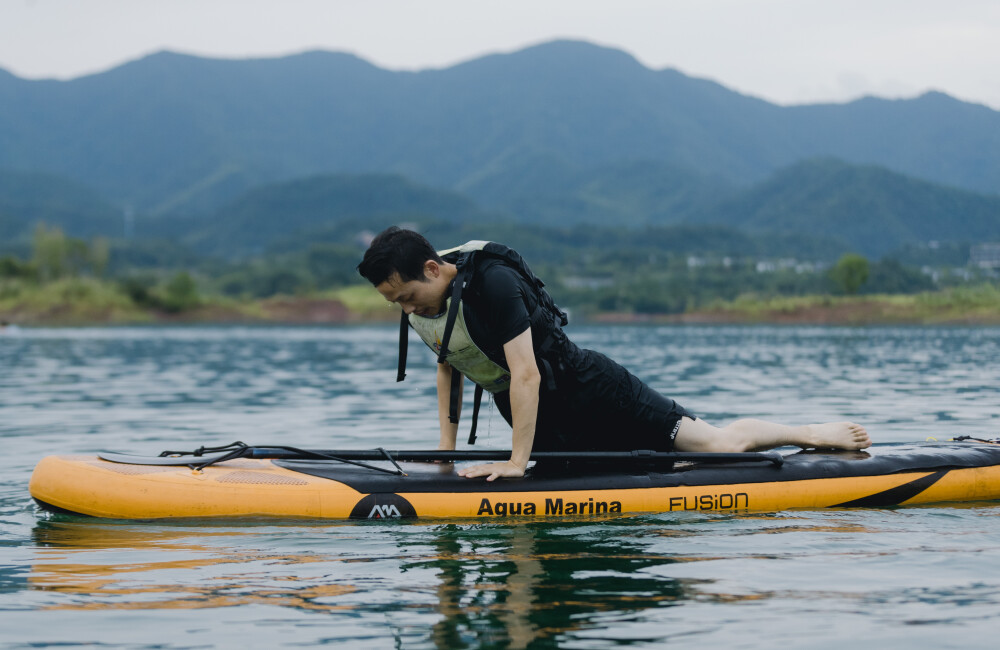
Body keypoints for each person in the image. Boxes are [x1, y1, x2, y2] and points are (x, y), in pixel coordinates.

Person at [357, 227, 870, 481]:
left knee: (714, 448)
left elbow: (526, 375)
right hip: (537, 416)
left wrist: (517, 461)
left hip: (593, 391)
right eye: (393, 302)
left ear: (430, 268)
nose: (404, 308)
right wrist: (447, 455)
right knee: (644, 472)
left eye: (404, 296)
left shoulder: (492, 283)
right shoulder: (423, 302)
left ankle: (810, 433)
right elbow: (450, 361)